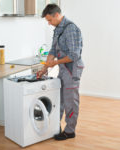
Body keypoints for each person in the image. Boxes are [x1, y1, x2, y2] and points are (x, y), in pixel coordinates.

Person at [37, 4, 84, 141]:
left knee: (70, 101)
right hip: (64, 69)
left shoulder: (70, 29)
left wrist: (55, 63)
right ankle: (55, 128)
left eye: (50, 20)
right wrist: (44, 68)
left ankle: (70, 131)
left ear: (57, 15)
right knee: (60, 100)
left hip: (72, 69)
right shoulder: (58, 29)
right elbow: (53, 50)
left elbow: (74, 55)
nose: (49, 23)